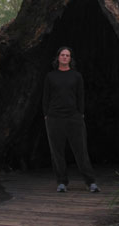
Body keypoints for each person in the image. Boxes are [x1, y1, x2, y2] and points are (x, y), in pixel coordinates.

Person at [43, 46, 100, 193]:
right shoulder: (51, 76)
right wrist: (46, 114)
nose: (64, 57)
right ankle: (62, 182)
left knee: (80, 149)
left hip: (73, 117)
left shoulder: (76, 76)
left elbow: (81, 95)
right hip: (55, 118)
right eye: (62, 55)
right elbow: (46, 97)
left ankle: (90, 182)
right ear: (57, 58)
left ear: (70, 59)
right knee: (57, 151)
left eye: (67, 55)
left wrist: (80, 112)